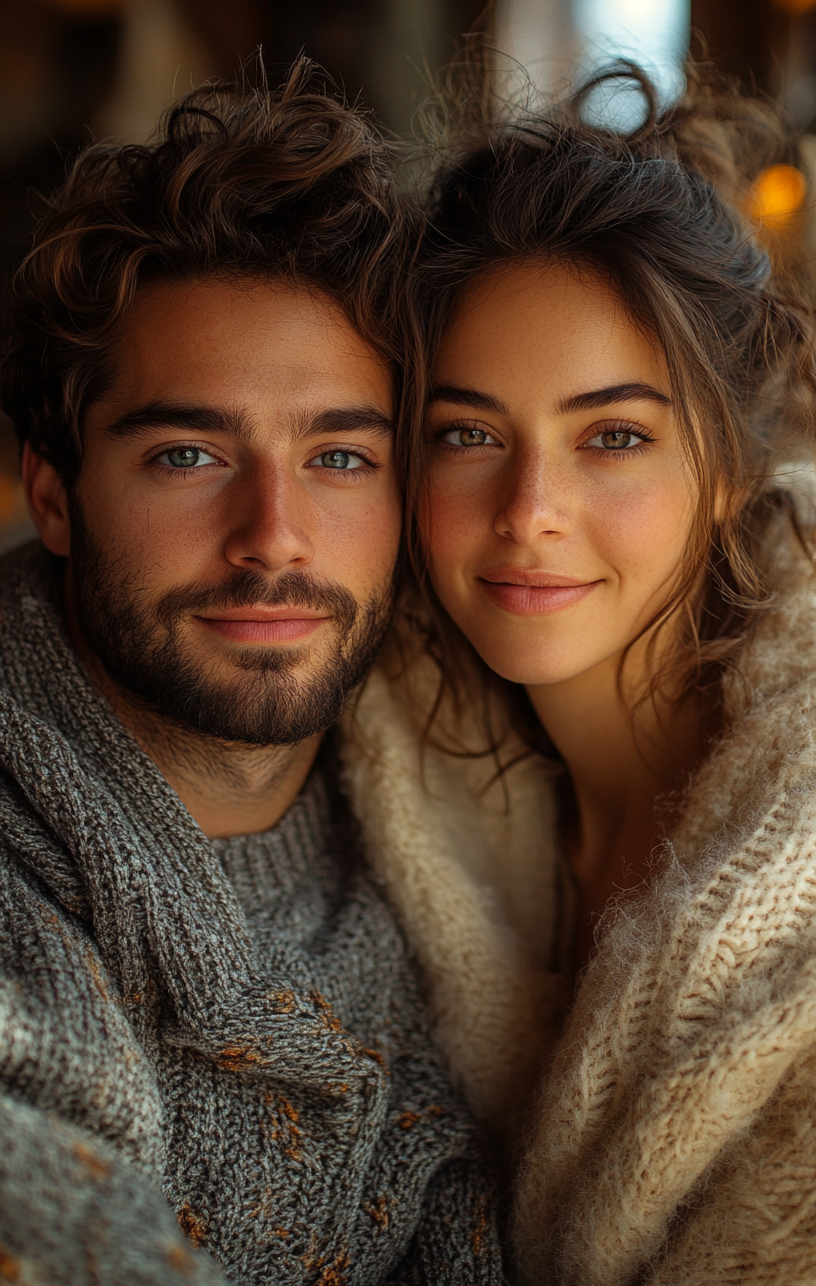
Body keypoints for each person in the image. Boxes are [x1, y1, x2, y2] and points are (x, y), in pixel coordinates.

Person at [0, 63, 501, 1286]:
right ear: (53, 494)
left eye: (338, 455)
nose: (273, 534)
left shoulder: (477, 846)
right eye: (186, 452)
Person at [340, 63, 816, 1283]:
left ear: (724, 470)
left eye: (613, 436)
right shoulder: (370, 760)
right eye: (468, 434)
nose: (529, 510)